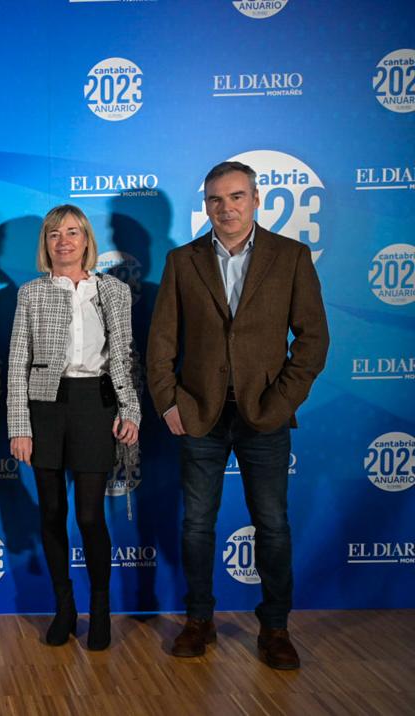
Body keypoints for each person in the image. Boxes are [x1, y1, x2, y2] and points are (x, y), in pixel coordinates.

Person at [147, 161, 329, 670]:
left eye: (236, 197)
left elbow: (313, 341)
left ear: (255, 198)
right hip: (199, 415)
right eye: (215, 200)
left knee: (271, 525)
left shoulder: (290, 256)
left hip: (264, 418)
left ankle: (275, 628)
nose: (226, 208)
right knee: (197, 525)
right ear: (205, 205)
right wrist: (169, 402)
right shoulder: (182, 261)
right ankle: (198, 620)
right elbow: (161, 341)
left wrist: (280, 404)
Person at [6, 205, 141, 651]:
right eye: (53, 234)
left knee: (88, 515)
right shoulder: (31, 293)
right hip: (45, 406)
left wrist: (131, 411)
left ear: (86, 239)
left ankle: (99, 610)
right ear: (45, 244)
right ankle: (64, 608)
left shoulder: (114, 291)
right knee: (50, 514)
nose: (63, 241)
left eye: (72, 232)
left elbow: (124, 357)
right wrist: (19, 426)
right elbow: (17, 364)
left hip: (94, 405)